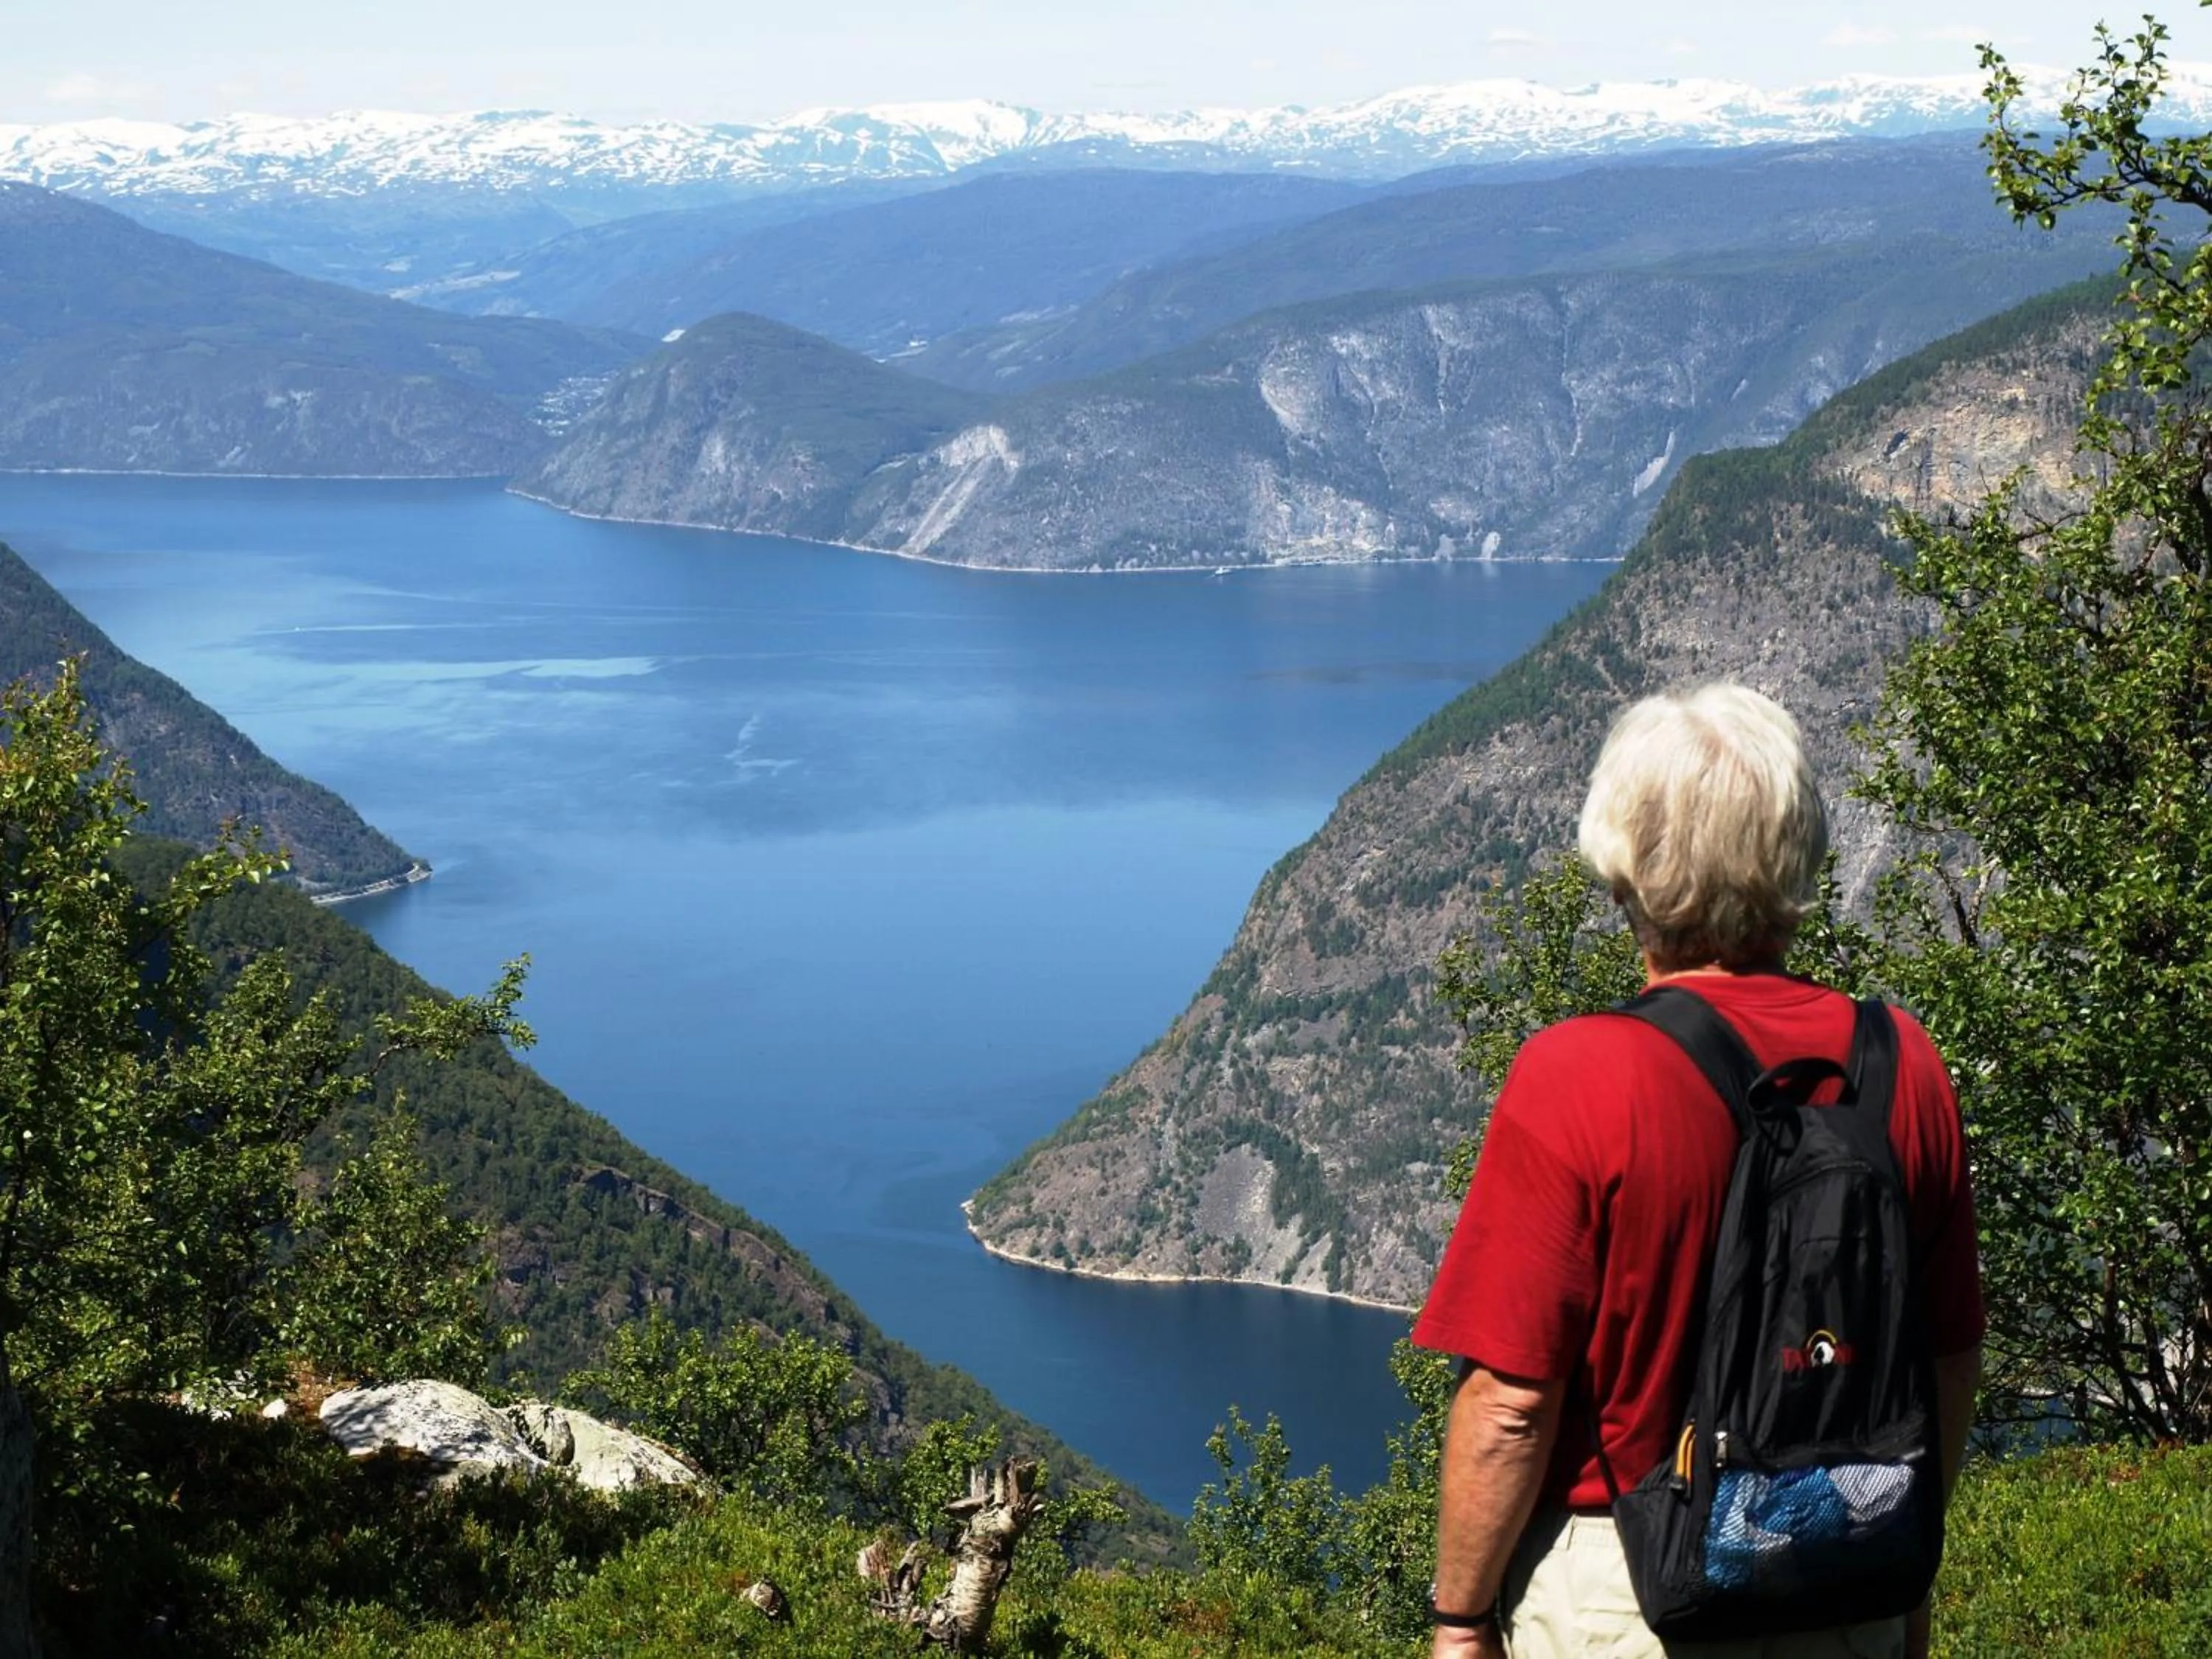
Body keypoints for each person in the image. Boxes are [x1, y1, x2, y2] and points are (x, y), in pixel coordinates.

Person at [1413, 684, 1983, 1659]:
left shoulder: (1579, 1074)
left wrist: (1461, 1616)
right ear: (1796, 848)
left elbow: (1511, 1402)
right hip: (1846, 1579)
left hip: (1629, 1594)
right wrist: (1898, 1554)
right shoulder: (1904, 1064)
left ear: (1624, 859)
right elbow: (1946, 1360)